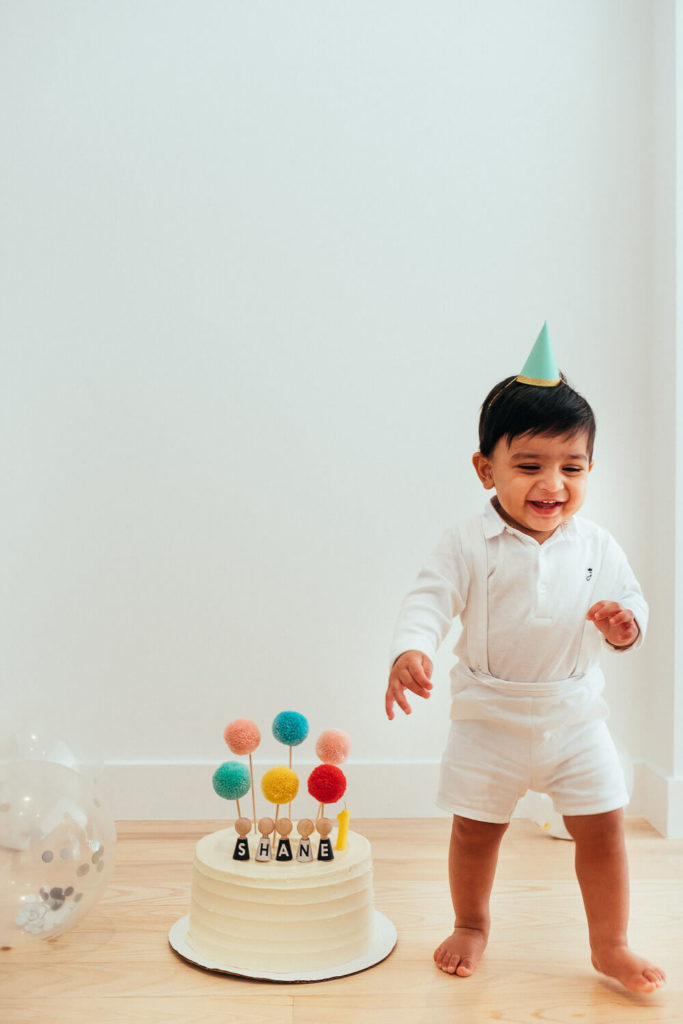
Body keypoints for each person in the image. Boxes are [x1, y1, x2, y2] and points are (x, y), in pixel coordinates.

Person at [385, 325, 666, 993]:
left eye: (571, 467)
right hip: (488, 719)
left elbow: (630, 605)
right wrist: (409, 649)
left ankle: (610, 944)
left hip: (574, 718)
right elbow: (427, 600)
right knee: (473, 835)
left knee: (602, 832)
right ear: (486, 469)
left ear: (588, 471)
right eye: (530, 465)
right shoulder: (467, 542)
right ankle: (472, 922)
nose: (552, 484)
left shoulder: (595, 544)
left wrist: (624, 625)